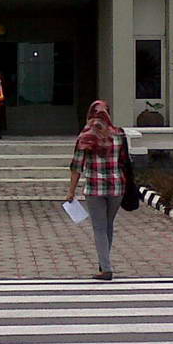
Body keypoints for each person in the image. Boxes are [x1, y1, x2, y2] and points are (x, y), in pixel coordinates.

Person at [66, 100, 128, 281]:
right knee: (108, 226)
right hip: (117, 187)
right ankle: (104, 263)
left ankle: (106, 268)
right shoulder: (118, 134)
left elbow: (77, 166)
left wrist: (71, 191)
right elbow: (124, 161)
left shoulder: (85, 136)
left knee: (99, 228)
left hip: (95, 188)